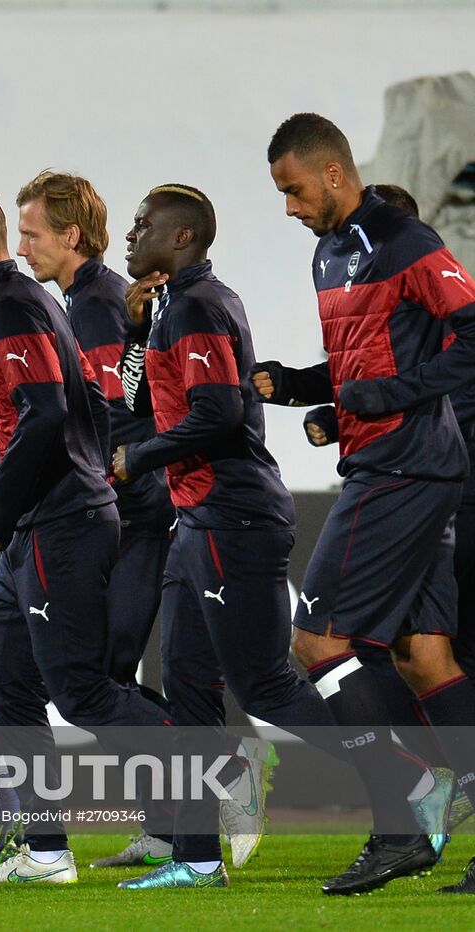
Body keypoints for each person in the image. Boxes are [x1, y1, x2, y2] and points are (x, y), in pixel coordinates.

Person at [0, 187, 174, 887]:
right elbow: (94, 399)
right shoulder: (37, 302)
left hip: (58, 518)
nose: (26, 246)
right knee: (6, 684)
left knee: (88, 691)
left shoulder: (19, 304)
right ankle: (45, 852)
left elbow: (49, 413)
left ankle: (202, 794)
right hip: (60, 511)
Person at [255, 112, 475, 895]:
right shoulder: (330, 252)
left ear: (335, 173)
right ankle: (425, 801)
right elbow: (371, 361)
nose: (289, 206)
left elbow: (466, 334)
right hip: (388, 461)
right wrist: (306, 388)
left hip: (405, 470)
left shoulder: (405, 241)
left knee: (316, 641)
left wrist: (391, 397)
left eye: (293, 189)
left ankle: (408, 811)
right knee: (419, 654)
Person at [111, 184, 353, 890]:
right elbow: (131, 400)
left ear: (181, 238)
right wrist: (132, 333)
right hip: (199, 519)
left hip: (232, 515)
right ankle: (195, 860)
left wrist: (140, 457)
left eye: (142, 224)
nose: (130, 235)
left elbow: (218, 413)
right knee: (186, 690)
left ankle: (410, 777)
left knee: (265, 685)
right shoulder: (166, 310)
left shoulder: (198, 306)